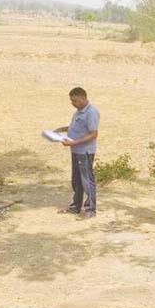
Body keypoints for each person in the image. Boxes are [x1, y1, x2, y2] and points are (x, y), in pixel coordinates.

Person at [55, 87, 100, 219]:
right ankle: (75, 206)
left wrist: (74, 143)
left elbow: (93, 134)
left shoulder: (91, 112)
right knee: (76, 180)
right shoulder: (78, 112)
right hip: (75, 151)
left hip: (84, 152)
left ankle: (90, 209)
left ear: (83, 98)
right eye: (71, 101)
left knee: (87, 180)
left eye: (75, 100)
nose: (73, 103)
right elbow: (76, 127)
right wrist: (62, 129)